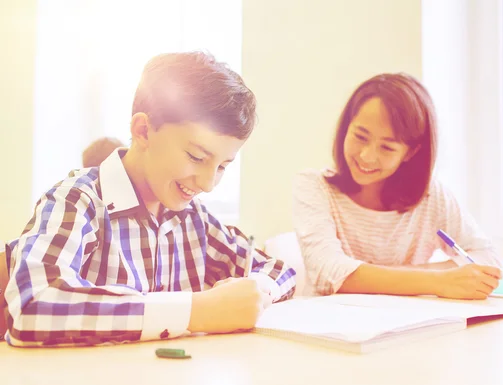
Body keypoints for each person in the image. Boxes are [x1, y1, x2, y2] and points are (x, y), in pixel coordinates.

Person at [3, 51, 296, 347]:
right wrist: (196, 311)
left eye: (222, 166)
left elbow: (279, 270)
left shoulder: (194, 218)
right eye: (196, 156)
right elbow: (32, 305)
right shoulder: (78, 201)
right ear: (143, 130)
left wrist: (254, 291)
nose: (208, 184)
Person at [292, 73, 501, 299]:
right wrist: (438, 281)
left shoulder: (431, 196)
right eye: (360, 137)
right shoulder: (314, 186)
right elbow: (328, 272)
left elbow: (487, 259)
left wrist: (399, 278)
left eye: (387, 148)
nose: (367, 156)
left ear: (410, 152)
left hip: (406, 325)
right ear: (346, 128)